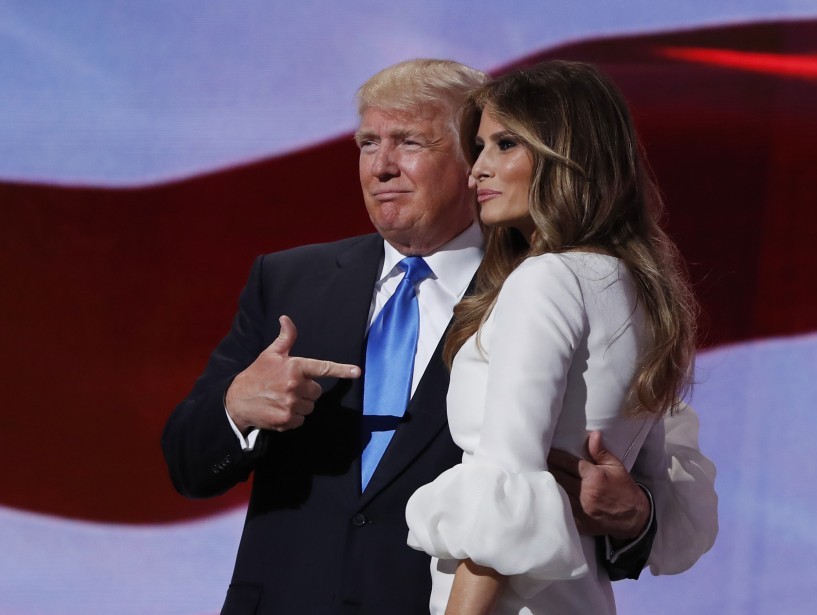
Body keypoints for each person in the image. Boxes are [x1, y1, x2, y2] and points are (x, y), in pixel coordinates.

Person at [161, 59, 717, 615]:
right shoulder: (288, 281)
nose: (381, 167)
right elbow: (186, 464)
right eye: (367, 143)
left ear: (467, 159)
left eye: (410, 142)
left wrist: (636, 515)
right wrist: (237, 410)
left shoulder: (548, 281)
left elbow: (642, 454)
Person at [405, 60, 701, 614]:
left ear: (568, 153)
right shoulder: (641, 287)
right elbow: (650, 491)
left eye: (505, 144)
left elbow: (504, 487)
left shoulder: (547, 279)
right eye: (479, 147)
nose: (476, 171)